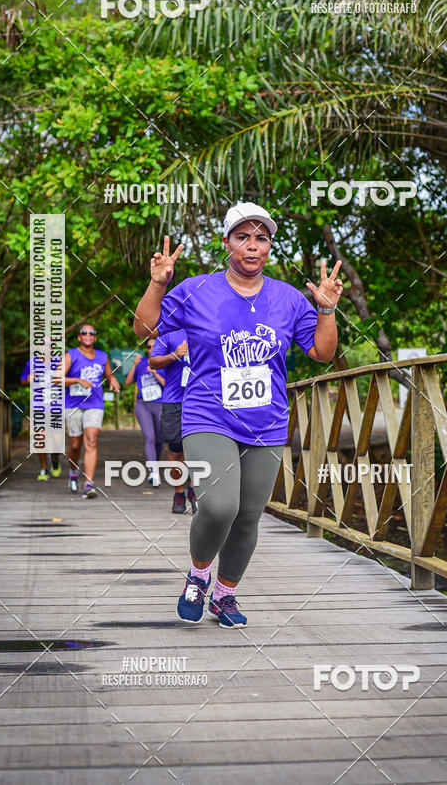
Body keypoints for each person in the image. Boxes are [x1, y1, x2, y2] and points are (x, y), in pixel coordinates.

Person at [133, 201, 342, 628]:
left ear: (269, 247)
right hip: (208, 414)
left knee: (248, 513)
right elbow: (144, 328)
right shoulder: (196, 289)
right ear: (226, 243)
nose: (252, 246)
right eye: (242, 237)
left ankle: (225, 595)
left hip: (267, 422)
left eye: (261, 238)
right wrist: (157, 285)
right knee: (219, 506)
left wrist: (326, 309)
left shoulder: (287, 298)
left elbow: (322, 353)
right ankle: (198, 574)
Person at [55, 324, 120, 498]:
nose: (88, 335)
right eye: (84, 332)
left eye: (92, 332)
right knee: (75, 445)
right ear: (79, 337)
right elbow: (56, 379)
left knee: (91, 440)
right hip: (73, 404)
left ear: (95, 337)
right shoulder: (71, 355)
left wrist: (112, 380)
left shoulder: (102, 356)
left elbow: (108, 375)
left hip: (94, 404)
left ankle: (89, 484)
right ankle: (73, 472)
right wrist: (77, 380)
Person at [149, 328, 197, 514]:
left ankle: (194, 491)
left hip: (202, 400)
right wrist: (174, 355)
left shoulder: (207, 325)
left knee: (198, 449)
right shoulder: (169, 334)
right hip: (174, 401)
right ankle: (179, 492)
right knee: (176, 451)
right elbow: (153, 362)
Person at [125, 338, 165, 486]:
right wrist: (134, 366)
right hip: (143, 404)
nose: (152, 349)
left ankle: (154, 464)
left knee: (159, 439)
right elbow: (128, 382)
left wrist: (155, 374)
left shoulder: (164, 363)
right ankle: (153, 472)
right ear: (146, 349)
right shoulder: (141, 363)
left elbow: (167, 385)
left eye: (155, 347)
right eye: (149, 347)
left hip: (160, 404)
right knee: (150, 437)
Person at [20, 356, 61, 480]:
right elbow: (22, 381)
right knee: (40, 438)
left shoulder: (60, 361)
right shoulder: (31, 362)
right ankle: (44, 468)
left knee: (57, 441)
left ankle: (54, 459)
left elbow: (69, 378)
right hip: (39, 406)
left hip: (55, 406)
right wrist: (28, 380)